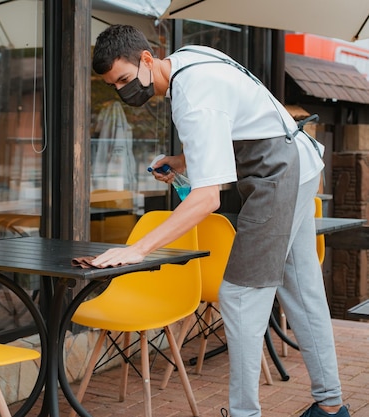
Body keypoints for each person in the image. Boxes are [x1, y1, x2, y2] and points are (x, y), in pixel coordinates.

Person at [89, 25, 349, 417]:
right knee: (301, 286)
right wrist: (182, 162)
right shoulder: (191, 57)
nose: (124, 91)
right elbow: (238, 124)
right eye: (115, 85)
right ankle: (331, 406)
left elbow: (207, 198)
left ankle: (244, 413)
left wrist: (136, 249)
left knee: (239, 295)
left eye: (125, 79)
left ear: (146, 58)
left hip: (278, 173)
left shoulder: (191, 99)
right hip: (298, 161)